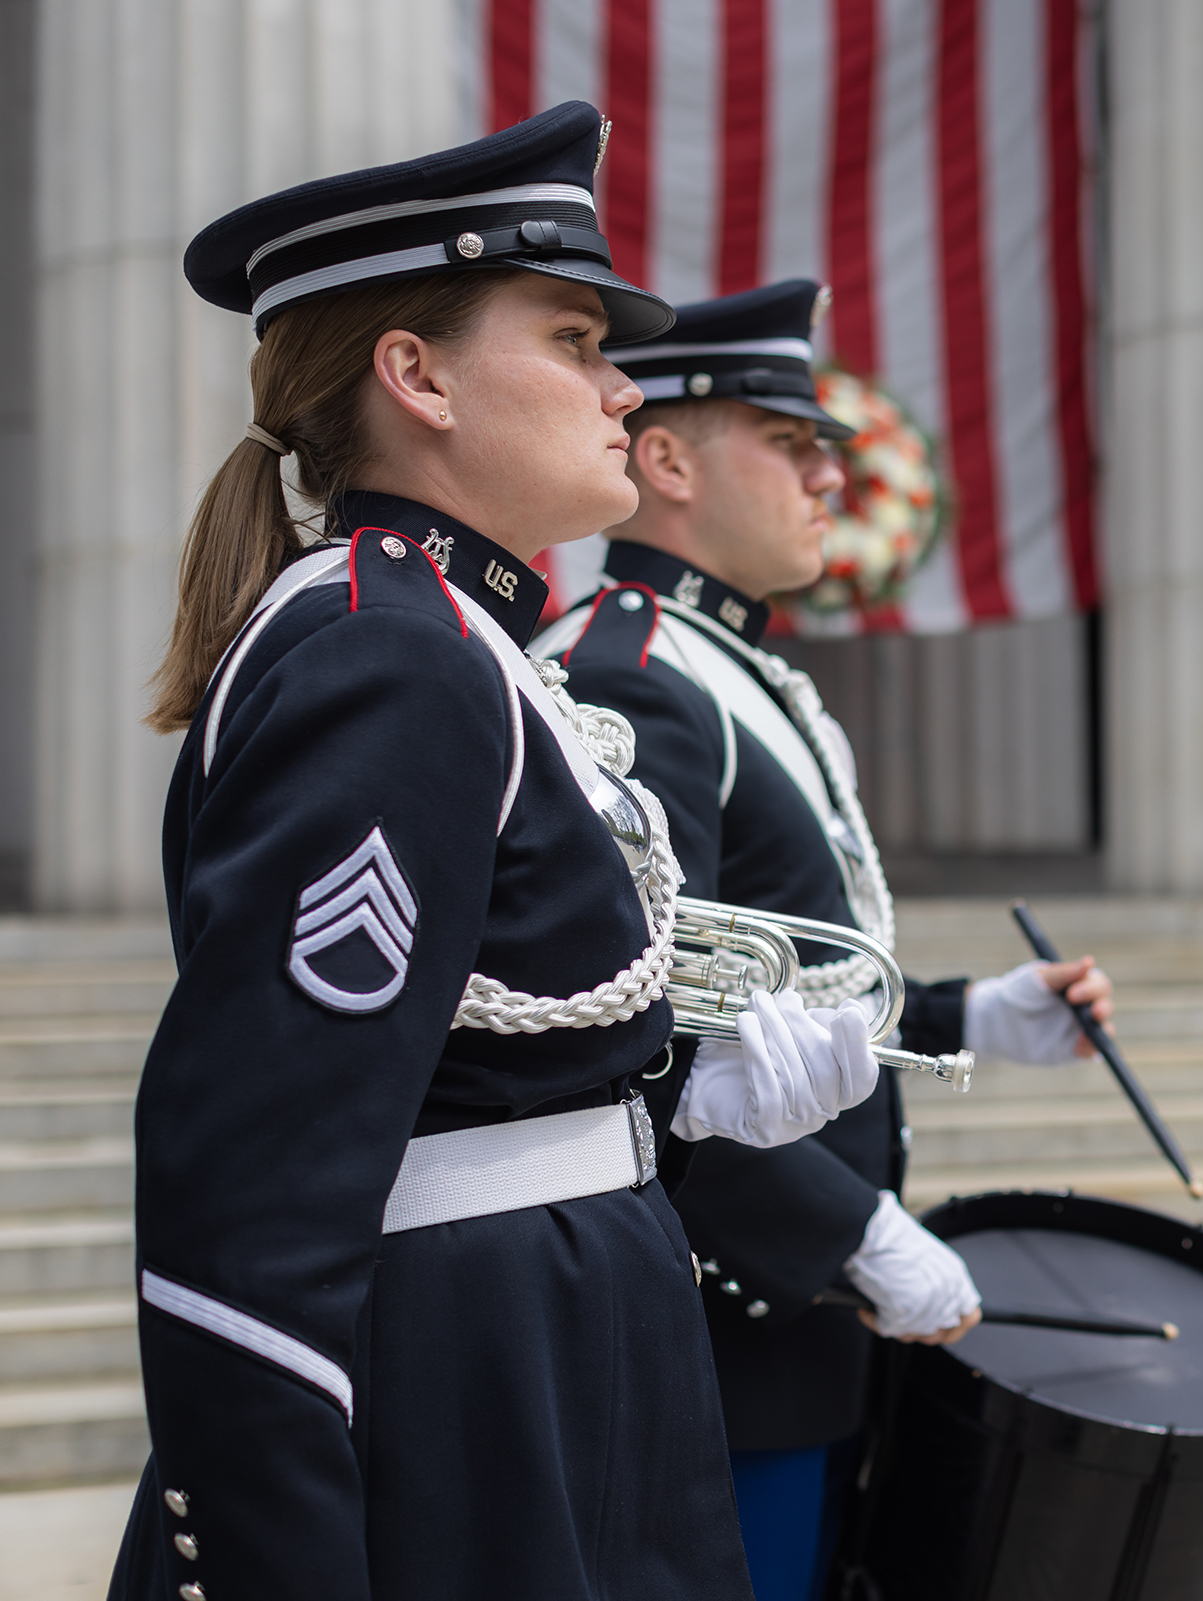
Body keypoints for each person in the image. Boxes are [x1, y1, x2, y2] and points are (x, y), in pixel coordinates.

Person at [114, 104, 885, 1601]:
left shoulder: (458, 640)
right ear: (418, 376)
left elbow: (464, 1052)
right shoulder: (383, 658)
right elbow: (250, 1196)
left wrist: (677, 1097)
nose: (618, 386)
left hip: (544, 1359)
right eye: (575, 337)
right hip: (464, 1400)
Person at [532, 279, 1116, 1600]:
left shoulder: (739, 670)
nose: (823, 475)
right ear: (667, 459)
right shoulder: (631, 676)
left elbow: (774, 989)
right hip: (724, 1320)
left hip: (794, 1320)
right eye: (788, 443)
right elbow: (636, 1043)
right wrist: (851, 1228)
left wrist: (972, 1015)